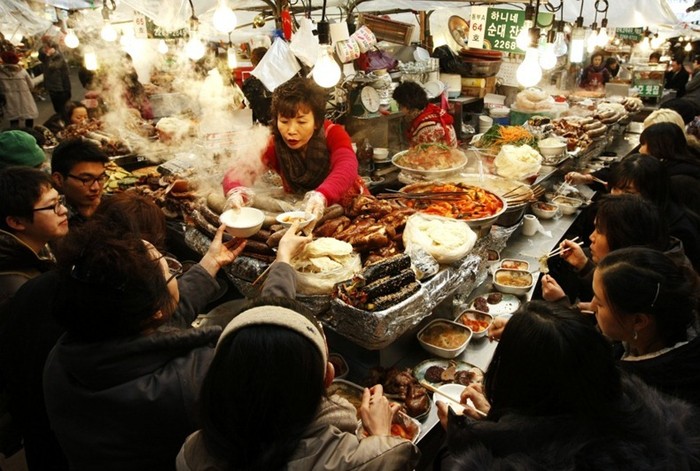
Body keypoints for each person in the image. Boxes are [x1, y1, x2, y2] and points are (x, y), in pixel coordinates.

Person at [176, 227, 420, 470]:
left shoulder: (191, 454)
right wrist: (380, 438)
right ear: (328, 377)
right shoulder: (357, 462)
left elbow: (269, 327)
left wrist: (283, 261)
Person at [40, 217, 247, 469]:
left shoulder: (64, 354)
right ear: (155, 310)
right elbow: (266, 352)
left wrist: (210, 264)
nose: (173, 272)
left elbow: (161, 314)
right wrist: (282, 271)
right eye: (169, 270)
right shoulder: (184, 382)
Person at [435, 301, 700, 469]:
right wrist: (497, 419)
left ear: (522, 386)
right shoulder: (648, 418)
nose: (592, 304)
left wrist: (457, 440)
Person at [222, 76, 368, 219]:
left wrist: (322, 195)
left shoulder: (333, 133)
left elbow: (347, 164)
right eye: (284, 121)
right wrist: (235, 192)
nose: (291, 130)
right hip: (306, 216)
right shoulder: (274, 144)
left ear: (316, 122)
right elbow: (239, 170)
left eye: (301, 122)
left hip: (352, 211)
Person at [540, 194, 696, 306]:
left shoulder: (647, 288)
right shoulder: (652, 262)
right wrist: (584, 265)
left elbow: (599, 343)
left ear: (624, 237)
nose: (591, 237)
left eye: (599, 231)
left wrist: (562, 305)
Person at [593, 247, 700, 407]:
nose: (592, 305)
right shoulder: (676, 324)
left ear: (638, 321)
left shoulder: (637, 396)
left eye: (599, 303)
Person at [608, 153, 700, 271]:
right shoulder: (631, 215)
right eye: (615, 188)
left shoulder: (676, 232)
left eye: (628, 193)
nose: (617, 197)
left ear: (652, 192)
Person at [0, 166, 67, 304]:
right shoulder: (15, 289)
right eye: (52, 206)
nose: (64, 210)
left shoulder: (44, 245)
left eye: (59, 201)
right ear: (16, 222)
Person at [50, 137, 109, 225]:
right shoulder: (51, 219)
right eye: (86, 180)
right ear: (59, 179)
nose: (96, 188)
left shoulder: (112, 208)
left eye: (100, 178)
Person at [392, 80, 457, 148]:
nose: (400, 110)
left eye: (400, 106)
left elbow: (425, 156)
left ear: (409, 107)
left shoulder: (426, 130)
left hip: (443, 157)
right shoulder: (430, 110)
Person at [0, 50, 38, 128]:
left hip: (10, 102)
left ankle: (17, 137)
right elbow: (31, 85)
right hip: (25, 100)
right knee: (29, 120)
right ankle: (30, 136)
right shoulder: (22, 72)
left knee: (14, 121)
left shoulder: (1, 74)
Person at [38, 38, 71, 115]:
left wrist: (50, 56)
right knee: (57, 108)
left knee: (64, 108)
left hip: (61, 87)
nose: (45, 50)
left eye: (46, 48)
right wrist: (44, 46)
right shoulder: (46, 57)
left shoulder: (58, 56)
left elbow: (52, 67)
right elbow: (40, 56)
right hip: (52, 87)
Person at [241, 46, 273, 125]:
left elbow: (245, 103)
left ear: (253, 64)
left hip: (263, 126)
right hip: (278, 122)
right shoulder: (278, 77)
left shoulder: (251, 84)